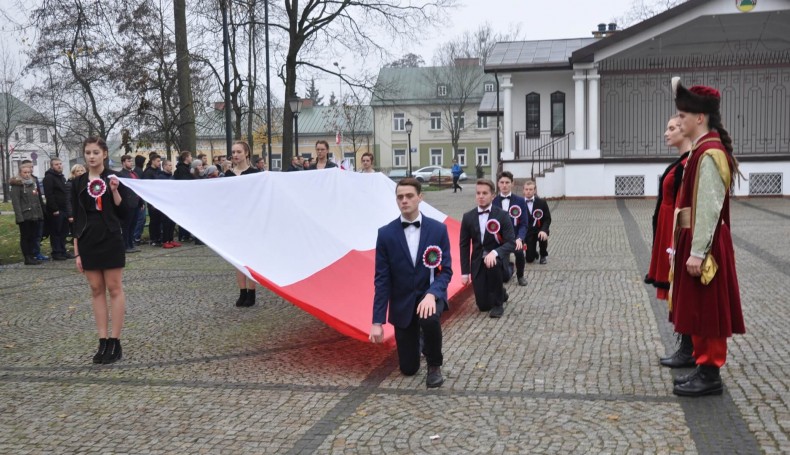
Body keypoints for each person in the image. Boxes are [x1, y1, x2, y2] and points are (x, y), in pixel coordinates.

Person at [669, 77, 744, 397]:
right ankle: (703, 366)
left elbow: (709, 208)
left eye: (684, 115)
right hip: (697, 240)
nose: (679, 120)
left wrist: (698, 251)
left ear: (700, 118)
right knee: (699, 308)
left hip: (707, 245)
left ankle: (711, 372)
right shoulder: (703, 150)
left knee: (709, 310)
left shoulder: (710, 153)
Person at [369, 178, 453, 388]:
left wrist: (433, 294)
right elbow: (382, 280)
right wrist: (377, 322)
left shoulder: (437, 230)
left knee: (429, 318)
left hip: (429, 296)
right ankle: (418, 342)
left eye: (409, 196)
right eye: (400, 197)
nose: (404, 200)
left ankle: (434, 364)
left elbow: (446, 271)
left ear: (420, 198)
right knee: (408, 369)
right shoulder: (385, 234)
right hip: (402, 302)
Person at [72, 136, 129, 364]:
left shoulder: (115, 178)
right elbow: (75, 218)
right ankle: (102, 340)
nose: (91, 156)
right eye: (88, 152)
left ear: (104, 154)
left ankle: (115, 341)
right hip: (88, 239)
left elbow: (125, 212)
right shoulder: (77, 183)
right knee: (96, 289)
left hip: (111, 237)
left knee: (114, 288)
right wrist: (77, 251)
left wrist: (114, 191)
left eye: (96, 152)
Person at [645, 116, 693, 368]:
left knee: (682, 288)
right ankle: (686, 345)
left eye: (672, 128)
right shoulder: (681, 162)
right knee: (677, 289)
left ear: (685, 131)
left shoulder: (689, 164)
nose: (666, 132)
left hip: (675, 229)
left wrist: (677, 240)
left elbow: (685, 205)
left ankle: (689, 348)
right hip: (667, 226)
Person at [459, 179, 515, 318]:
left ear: (493, 195)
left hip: (496, 261)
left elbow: (511, 243)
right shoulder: (468, 217)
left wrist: (495, 252)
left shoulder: (502, 215)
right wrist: (465, 272)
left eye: (485, 193)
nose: (481, 196)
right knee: (483, 306)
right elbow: (464, 245)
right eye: (478, 193)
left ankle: (498, 304)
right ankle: (501, 292)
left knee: (493, 263)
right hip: (477, 262)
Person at [224, 141, 259, 307]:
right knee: (237, 259)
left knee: (251, 258)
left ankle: (252, 292)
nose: (235, 155)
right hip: (234, 220)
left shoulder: (255, 173)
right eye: (233, 152)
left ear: (246, 153)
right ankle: (242, 291)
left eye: (238, 151)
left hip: (251, 220)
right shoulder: (229, 174)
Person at [493, 171, 528, 287]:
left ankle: (520, 276)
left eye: (507, 182)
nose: (504, 185)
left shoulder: (520, 201)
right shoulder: (493, 202)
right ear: (498, 184)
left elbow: (524, 224)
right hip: (498, 239)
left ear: (512, 184)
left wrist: (520, 238)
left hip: (514, 238)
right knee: (504, 278)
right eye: (502, 182)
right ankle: (509, 267)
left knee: (519, 252)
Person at [10, 164, 45, 265]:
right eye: (24, 172)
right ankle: (27, 257)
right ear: (20, 173)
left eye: (29, 172)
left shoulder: (33, 183)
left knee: (33, 236)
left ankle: (32, 255)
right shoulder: (17, 185)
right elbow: (16, 203)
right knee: (26, 237)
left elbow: (37, 200)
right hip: (25, 216)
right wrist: (19, 217)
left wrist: (40, 214)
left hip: (34, 215)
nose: (27, 174)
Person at [43, 157, 74, 260]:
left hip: (64, 208)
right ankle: (56, 252)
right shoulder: (49, 178)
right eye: (56, 164)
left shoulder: (61, 177)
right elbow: (49, 194)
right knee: (56, 231)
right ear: (52, 166)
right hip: (56, 210)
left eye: (60, 164)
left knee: (64, 231)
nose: (59, 166)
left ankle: (63, 251)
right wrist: (54, 208)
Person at [522, 179, 551, 265]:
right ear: (523, 190)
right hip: (528, 232)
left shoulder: (542, 202)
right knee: (529, 259)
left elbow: (547, 218)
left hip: (539, 229)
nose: (528, 192)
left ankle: (543, 255)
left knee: (542, 236)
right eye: (526, 189)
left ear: (535, 190)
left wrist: (544, 230)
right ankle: (534, 252)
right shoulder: (519, 203)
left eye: (531, 189)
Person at [117, 155, 142, 253]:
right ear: (123, 162)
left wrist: (140, 202)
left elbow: (138, 189)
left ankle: (131, 244)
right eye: (128, 161)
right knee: (126, 226)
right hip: (127, 204)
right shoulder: (120, 174)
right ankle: (126, 245)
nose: (131, 163)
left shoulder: (134, 174)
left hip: (136, 203)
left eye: (131, 161)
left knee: (133, 225)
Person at [142, 153, 164, 246]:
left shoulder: (159, 171)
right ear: (152, 161)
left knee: (159, 219)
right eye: (158, 161)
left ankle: (159, 237)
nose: (159, 163)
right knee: (154, 220)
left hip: (159, 197)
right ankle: (153, 238)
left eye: (160, 161)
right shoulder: (148, 172)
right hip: (152, 199)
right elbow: (147, 186)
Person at [159, 159, 181, 249]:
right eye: (169, 165)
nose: (171, 167)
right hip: (165, 202)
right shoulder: (161, 177)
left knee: (172, 222)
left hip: (172, 202)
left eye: (171, 165)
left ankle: (171, 239)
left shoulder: (172, 176)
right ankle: (165, 241)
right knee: (166, 223)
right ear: (164, 166)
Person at [173, 151, 194, 242]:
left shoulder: (187, 168)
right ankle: (183, 235)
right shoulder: (182, 169)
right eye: (190, 156)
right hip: (184, 196)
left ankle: (186, 234)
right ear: (186, 158)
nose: (191, 158)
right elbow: (185, 181)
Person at [65, 164, 86, 238]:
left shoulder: (86, 183)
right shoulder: (70, 184)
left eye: (82, 171)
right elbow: (68, 200)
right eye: (78, 171)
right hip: (76, 213)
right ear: (73, 173)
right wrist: (70, 215)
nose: (80, 172)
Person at [132, 155, 147, 245]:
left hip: (139, 198)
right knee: (140, 219)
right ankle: (136, 237)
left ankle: (136, 236)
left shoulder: (136, 171)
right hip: (139, 198)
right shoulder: (139, 172)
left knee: (140, 219)